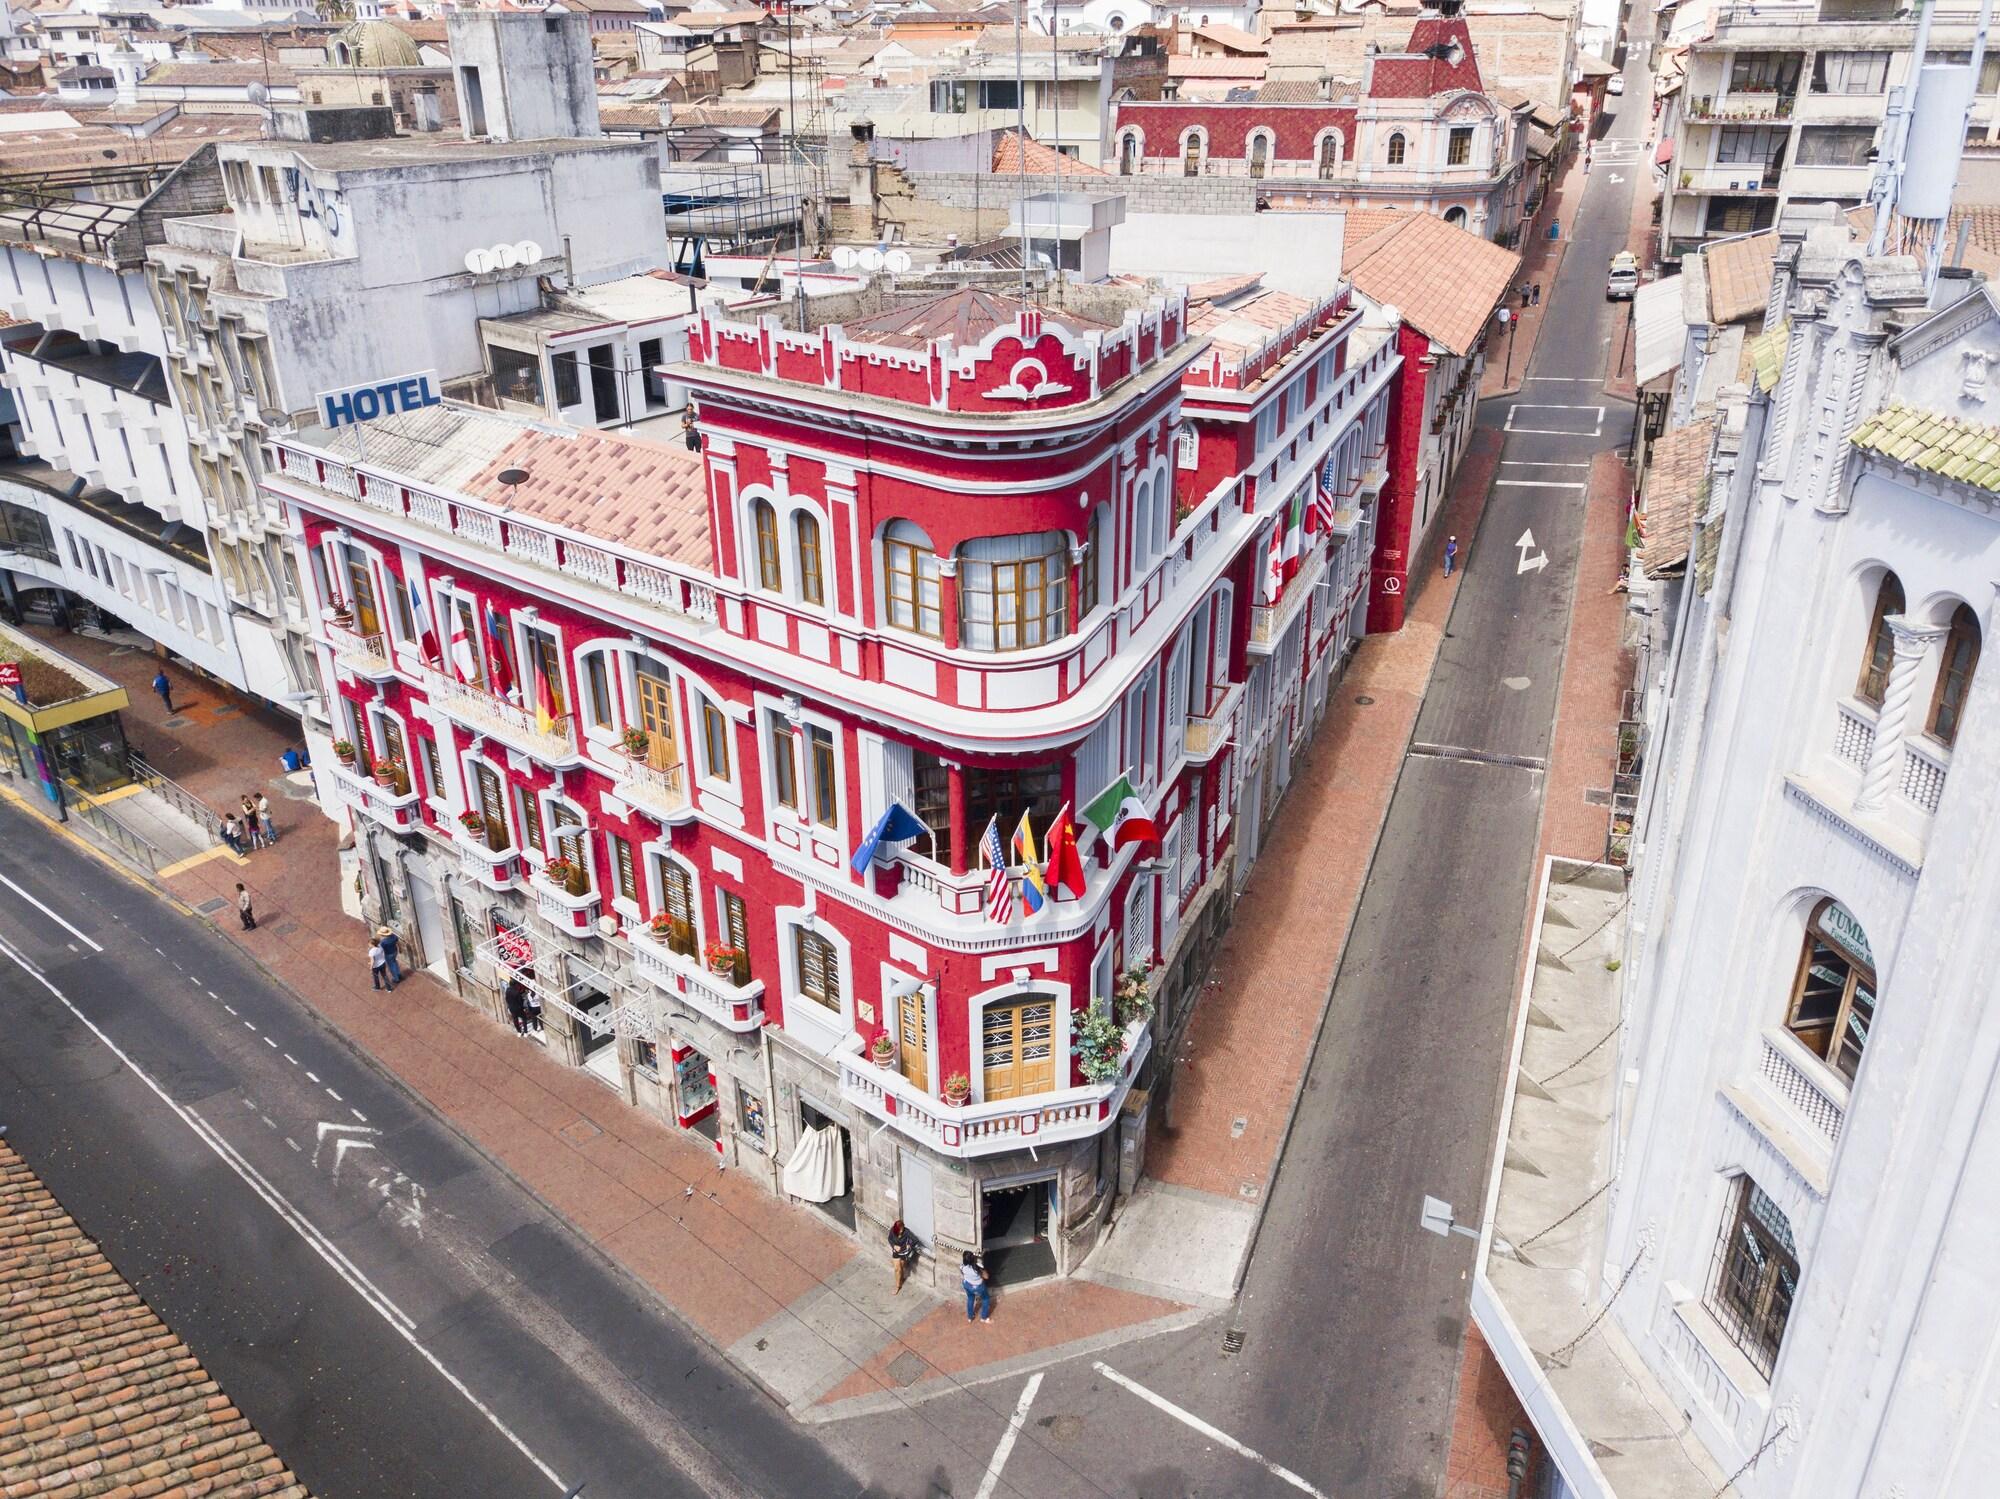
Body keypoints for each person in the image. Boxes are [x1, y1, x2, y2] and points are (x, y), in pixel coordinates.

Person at [889, 1220, 922, 1293]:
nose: (901, 1231)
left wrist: (909, 1245)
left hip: (904, 1253)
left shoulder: (906, 1232)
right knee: (897, 1269)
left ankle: (901, 1277)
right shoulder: (892, 1231)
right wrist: (894, 1246)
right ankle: (898, 1286)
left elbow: (916, 1240)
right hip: (896, 1252)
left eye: (902, 1228)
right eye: (900, 1229)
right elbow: (890, 1239)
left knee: (902, 1267)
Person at [961, 1250, 992, 1324]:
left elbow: (963, 1273)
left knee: (970, 1298)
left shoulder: (962, 1266)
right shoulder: (978, 1267)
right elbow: (986, 1276)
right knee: (985, 1299)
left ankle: (970, 1317)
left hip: (967, 1285)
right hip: (978, 1287)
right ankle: (984, 1317)